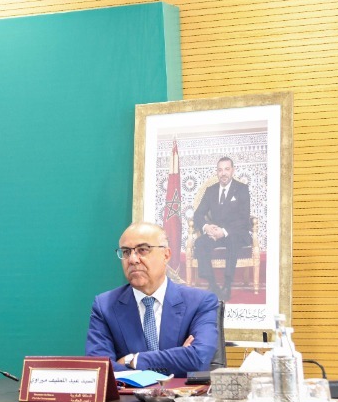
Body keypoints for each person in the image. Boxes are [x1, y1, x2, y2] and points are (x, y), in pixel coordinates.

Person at [85, 222, 219, 376]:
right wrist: (178, 358)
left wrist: (132, 360)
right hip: (129, 393)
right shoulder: (105, 306)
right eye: (126, 252)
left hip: (181, 392)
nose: (132, 260)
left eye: (142, 250)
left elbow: (198, 358)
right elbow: (100, 369)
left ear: (166, 255)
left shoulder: (200, 302)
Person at [192, 156, 252, 297]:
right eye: (220, 170)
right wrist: (206, 227)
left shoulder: (242, 189)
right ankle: (212, 284)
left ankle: (227, 284)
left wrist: (224, 231)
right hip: (215, 233)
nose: (223, 173)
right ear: (217, 172)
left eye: (226, 169)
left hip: (235, 233)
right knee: (200, 242)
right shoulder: (211, 190)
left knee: (232, 240)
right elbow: (198, 214)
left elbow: (244, 219)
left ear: (233, 171)